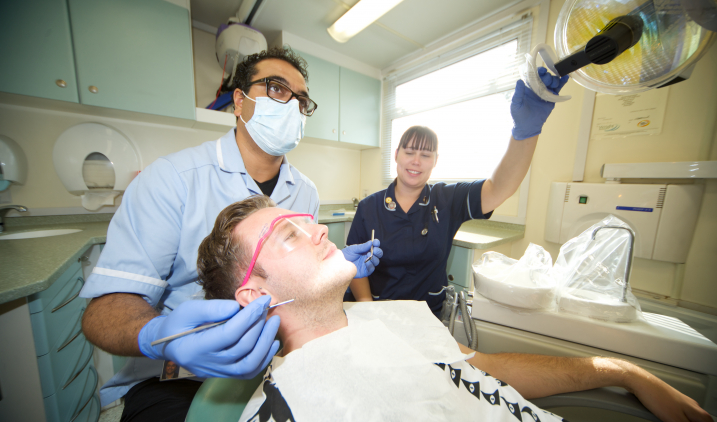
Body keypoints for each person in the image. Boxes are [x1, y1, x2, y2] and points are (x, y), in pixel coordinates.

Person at [196, 196, 711, 422]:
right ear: (253, 295)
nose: (321, 231)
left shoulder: (390, 316)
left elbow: (483, 370)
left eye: (307, 221)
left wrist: (621, 370)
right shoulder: (287, 403)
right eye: (289, 234)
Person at [78, 47, 380, 421]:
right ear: (239, 101)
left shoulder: (306, 192)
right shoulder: (172, 180)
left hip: (277, 364)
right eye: (276, 89)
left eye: (302, 100)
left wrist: (327, 269)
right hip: (180, 379)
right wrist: (163, 337)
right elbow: (101, 312)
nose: (292, 106)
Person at [346, 69, 567, 316]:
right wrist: (366, 308)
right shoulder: (368, 208)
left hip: (429, 316)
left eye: (425, 155)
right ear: (396, 155)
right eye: (409, 152)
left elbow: (499, 187)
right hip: (377, 311)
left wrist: (525, 133)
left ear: (435, 161)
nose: (416, 161)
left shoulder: (447, 199)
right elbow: (354, 267)